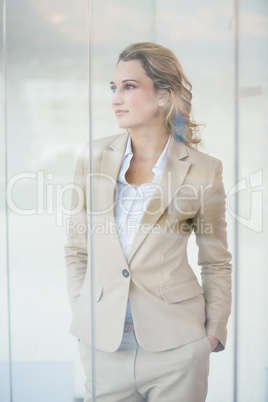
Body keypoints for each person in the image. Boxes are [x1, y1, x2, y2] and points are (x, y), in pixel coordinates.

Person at [65, 42, 232, 402]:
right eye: (114, 87)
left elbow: (215, 260)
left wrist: (212, 334)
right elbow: (77, 249)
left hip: (177, 348)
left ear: (163, 95)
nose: (115, 98)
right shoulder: (92, 157)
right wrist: (85, 316)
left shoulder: (204, 169)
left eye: (129, 86)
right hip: (104, 349)